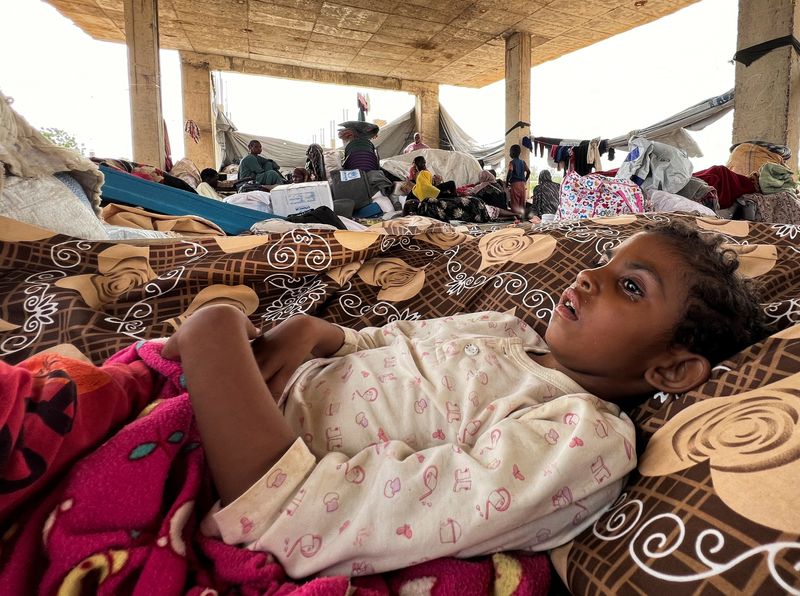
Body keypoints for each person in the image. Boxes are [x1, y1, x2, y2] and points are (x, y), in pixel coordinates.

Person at [0, 223, 768, 578]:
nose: (590, 277)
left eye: (631, 288)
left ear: (670, 372)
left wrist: (215, 340)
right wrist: (314, 334)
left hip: (220, 461)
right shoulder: (506, 326)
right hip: (204, 391)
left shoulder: (581, 438)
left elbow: (305, 516)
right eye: (606, 262)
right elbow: (382, 342)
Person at [506, 144, 530, 216]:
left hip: (515, 184)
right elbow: (528, 171)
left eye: (510, 152)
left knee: (515, 201)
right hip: (522, 184)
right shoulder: (523, 162)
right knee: (522, 201)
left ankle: (516, 216)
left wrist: (507, 182)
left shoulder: (512, 162)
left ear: (512, 153)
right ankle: (522, 216)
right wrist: (525, 180)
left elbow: (510, 172)